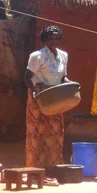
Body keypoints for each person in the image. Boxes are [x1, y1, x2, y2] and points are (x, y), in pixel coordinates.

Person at [24, 25, 70, 168]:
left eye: (56, 38)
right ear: (44, 39)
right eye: (50, 38)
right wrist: (34, 92)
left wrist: (70, 84)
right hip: (39, 95)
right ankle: (35, 168)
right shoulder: (37, 56)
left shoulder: (63, 56)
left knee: (55, 133)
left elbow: (63, 77)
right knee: (37, 133)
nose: (54, 40)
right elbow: (27, 77)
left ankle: (53, 167)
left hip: (56, 96)